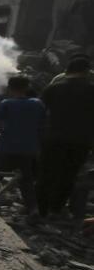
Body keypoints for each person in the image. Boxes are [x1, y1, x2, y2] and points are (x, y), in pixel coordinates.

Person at [38, 54, 94, 220]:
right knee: (68, 175)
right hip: (81, 141)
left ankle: (39, 209)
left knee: (46, 173)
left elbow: (40, 113)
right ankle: (56, 209)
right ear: (86, 72)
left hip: (53, 138)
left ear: (68, 70)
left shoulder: (54, 87)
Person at [0, 75, 45, 216]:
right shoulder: (38, 104)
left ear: (9, 87)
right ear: (27, 87)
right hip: (28, 149)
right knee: (26, 180)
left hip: (6, 147)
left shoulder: (6, 103)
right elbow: (42, 126)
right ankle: (33, 208)